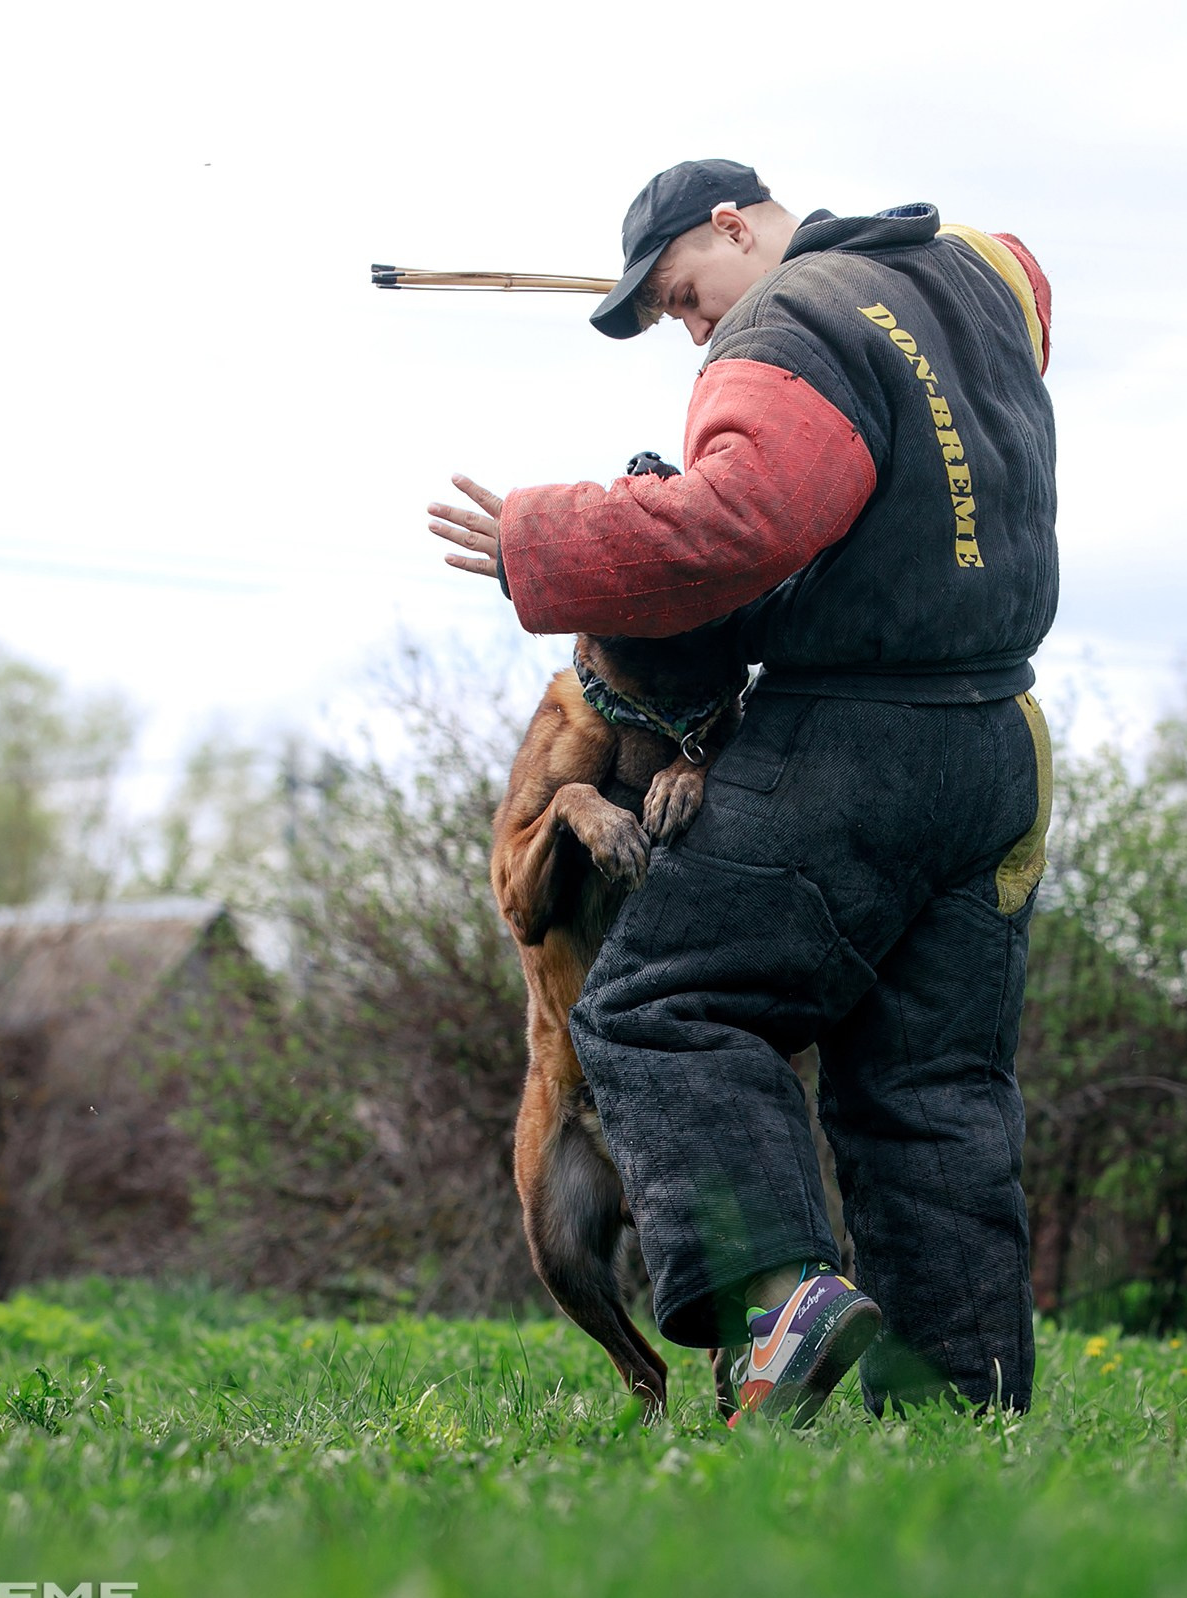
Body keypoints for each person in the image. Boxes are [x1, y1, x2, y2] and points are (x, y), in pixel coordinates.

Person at [428, 158, 1057, 1421]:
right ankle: (959, 1403)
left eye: (681, 294)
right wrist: (882, 262)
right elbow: (1023, 270)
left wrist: (542, 543)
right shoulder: (974, 281)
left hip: (854, 738)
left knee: (658, 1005)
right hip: (998, 751)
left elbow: (738, 525)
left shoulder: (787, 325)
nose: (691, 327)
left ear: (735, 225)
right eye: (670, 317)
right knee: (930, 1083)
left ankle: (778, 1309)